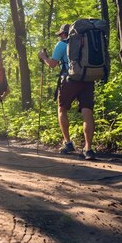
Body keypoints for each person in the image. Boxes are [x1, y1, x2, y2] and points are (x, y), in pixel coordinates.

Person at [38, 23, 97, 160]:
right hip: (87, 79)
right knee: (87, 112)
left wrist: (44, 57)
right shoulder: (86, 42)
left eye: (60, 35)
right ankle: (88, 149)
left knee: (62, 109)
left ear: (64, 34)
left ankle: (68, 143)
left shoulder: (62, 45)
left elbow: (53, 64)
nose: (60, 37)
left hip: (69, 80)